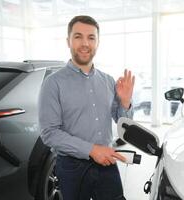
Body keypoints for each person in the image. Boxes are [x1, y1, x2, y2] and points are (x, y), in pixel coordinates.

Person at [38, 15, 135, 200]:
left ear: (97, 42)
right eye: (78, 36)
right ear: (68, 41)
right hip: (72, 167)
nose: (85, 43)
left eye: (91, 37)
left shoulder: (107, 80)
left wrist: (125, 102)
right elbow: (49, 133)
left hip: (107, 161)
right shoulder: (53, 84)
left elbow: (124, 124)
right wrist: (91, 150)